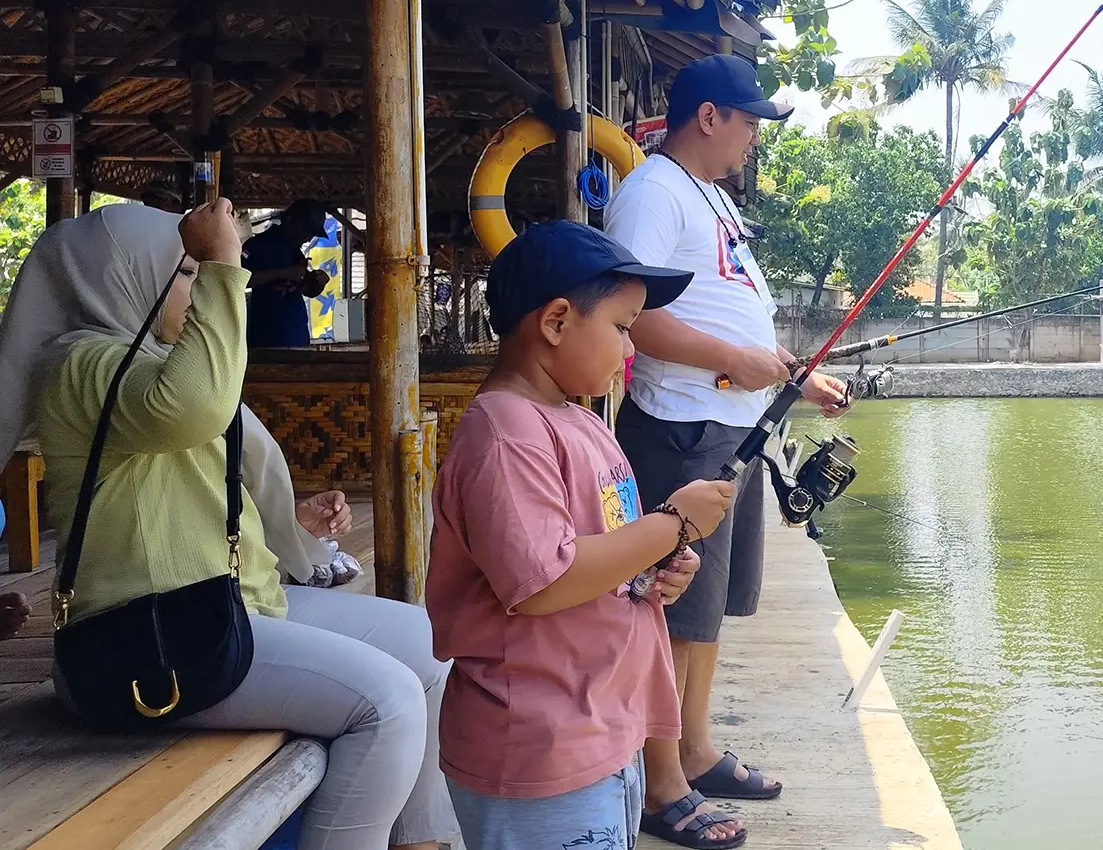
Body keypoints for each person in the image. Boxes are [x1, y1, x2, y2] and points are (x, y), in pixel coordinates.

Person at [0, 201, 457, 850]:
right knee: (385, 702)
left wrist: (290, 518)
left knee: (425, 642)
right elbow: (195, 408)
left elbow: (185, 474)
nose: (196, 287)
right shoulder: (81, 364)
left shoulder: (143, 364)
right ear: (126, 279)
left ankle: (420, 842)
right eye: (182, 274)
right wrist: (224, 263)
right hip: (147, 638)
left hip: (215, 603)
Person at [425, 220, 737, 850]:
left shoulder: (580, 421)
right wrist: (671, 524)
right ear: (556, 322)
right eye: (622, 327)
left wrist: (658, 566)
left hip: (602, 730)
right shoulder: (506, 432)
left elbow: (602, 552)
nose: (631, 349)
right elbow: (545, 581)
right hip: (542, 747)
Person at [604, 54, 851, 842]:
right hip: (680, 430)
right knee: (670, 610)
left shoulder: (709, 196)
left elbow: (730, 314)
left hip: (734, 429)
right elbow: (631, 313)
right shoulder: (650, 191)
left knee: (708, 612)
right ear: (708, 116)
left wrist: (792, 380)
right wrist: (737, 363)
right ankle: (659, 781)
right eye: (746, 121)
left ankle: (698, 747)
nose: (752, 138)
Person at [244, 198, 331, 348]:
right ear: (290, 220)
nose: (309, 237)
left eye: (312, 233)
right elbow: (241, 280)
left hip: (298, 337)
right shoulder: (256, 245)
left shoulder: (296, 252)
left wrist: (317, 282)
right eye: (306, 230)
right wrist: (282, 273)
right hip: (266, 338)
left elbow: (306, 290)